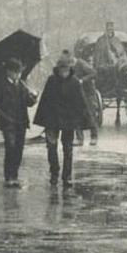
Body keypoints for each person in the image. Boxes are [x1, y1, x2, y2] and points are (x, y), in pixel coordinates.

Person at [35, 50, 95, 186]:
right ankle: (54, 173)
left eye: (66, 69)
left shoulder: (74, 82)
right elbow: (44, 101)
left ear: (70, 68)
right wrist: (43, 120)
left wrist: (88, 121)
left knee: (68, 148)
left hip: (68, 120)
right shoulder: (51, 81)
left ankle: (67, 176)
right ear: (58, 68)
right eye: (62, 69)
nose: (64, 72)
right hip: (52, 120)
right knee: (51, 147)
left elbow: (82, 103)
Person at [0, 58, 37, 188]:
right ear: (9, 72)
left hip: (21, 122)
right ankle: (8, 176)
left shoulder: (21, 85)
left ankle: (15, 176)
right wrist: (5, 117)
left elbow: (29, 103)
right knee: (10, 147)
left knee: (19, 149)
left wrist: (33, 98)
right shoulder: (1, 85)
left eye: (19, 73)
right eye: (16, 72)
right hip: (8, 123)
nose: (18, 75)